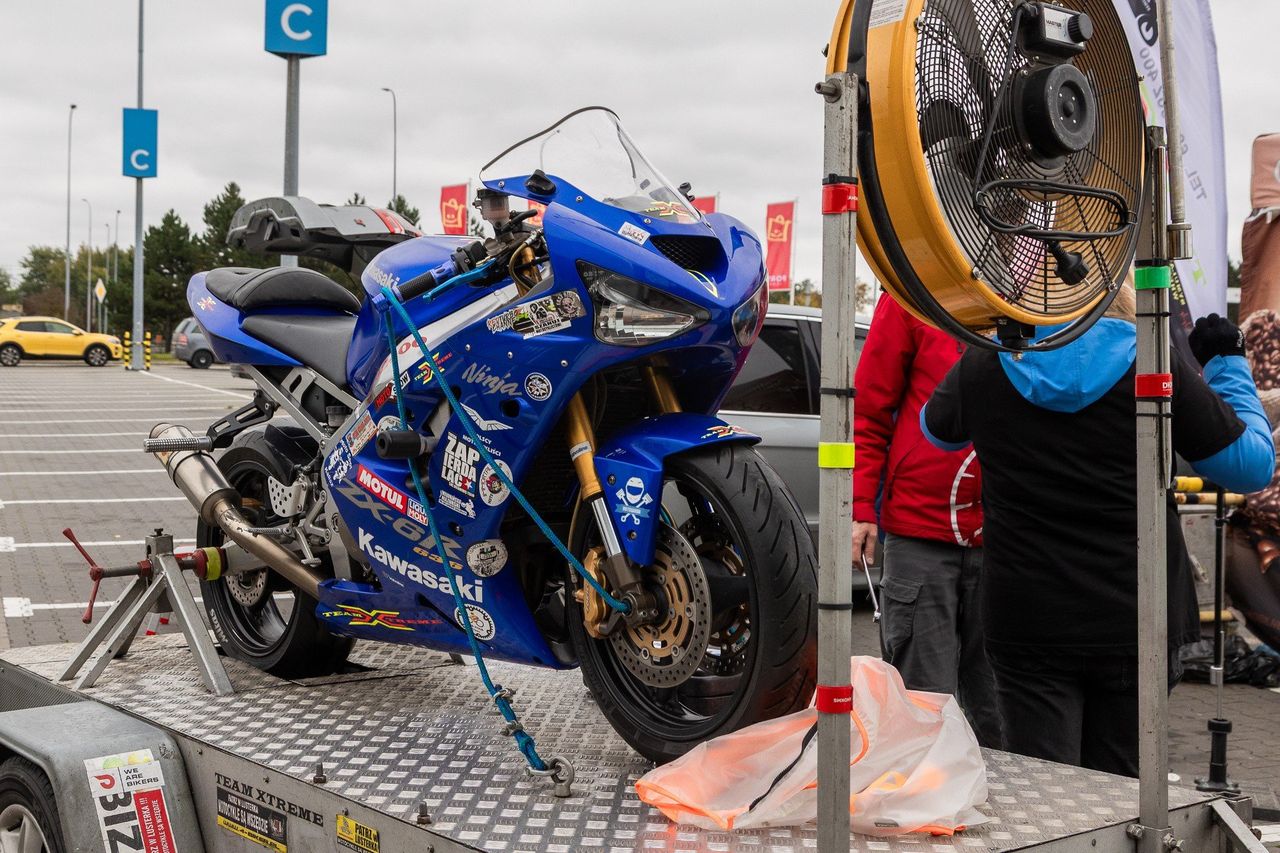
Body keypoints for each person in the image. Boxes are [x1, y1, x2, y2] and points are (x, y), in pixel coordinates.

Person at [921, 293, 1274, 776]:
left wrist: (983, 343)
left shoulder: (992, 360)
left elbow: (936, 430)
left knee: (1046, 792)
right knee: (1124, 797)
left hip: (1029, 617)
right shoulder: (1151, 363)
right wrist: (1228, 365)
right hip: (1136, 615)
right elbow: (1251, 466)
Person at [852, 292, 1002, 748]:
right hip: (919, 534)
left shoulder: (1030, 300)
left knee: (1000, 710)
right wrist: (860, 508)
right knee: (921, 708)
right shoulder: (908, 298)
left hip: (1005, 538)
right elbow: (868, 412)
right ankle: (917, 811)